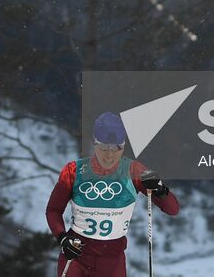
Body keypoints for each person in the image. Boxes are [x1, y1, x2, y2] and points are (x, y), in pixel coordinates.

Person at [46, 111, 179, 276]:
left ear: (123, 146)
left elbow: (172, 209)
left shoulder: (134, 171)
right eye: (104, 148)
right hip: (76, 257)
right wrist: (63, 238)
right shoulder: (73, 171)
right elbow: (53, 210)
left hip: (112, 262)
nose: (109, 155)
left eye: (117, 149)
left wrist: (159, 189)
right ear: (95, 144)